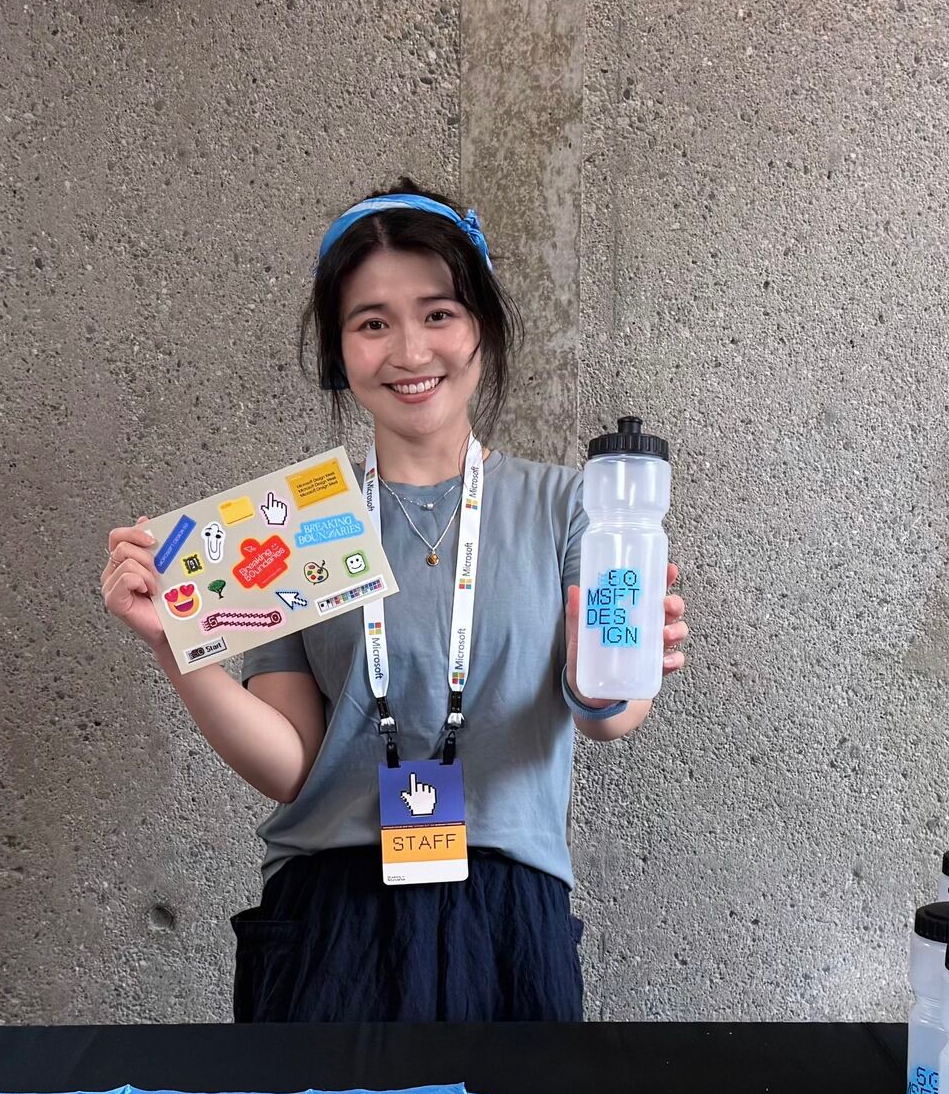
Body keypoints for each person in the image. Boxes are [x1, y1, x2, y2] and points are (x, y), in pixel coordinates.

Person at [101, 180, 685, 1023]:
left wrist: (607, 677)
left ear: (481, 325)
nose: (410, 350)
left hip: (507, 913)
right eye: (372, 322)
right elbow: (292, 764)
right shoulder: (300, 527)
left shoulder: (573, 506)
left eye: (439, 313)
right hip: (330, 918)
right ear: (340, 353)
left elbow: (606, 715)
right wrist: (175, 645)